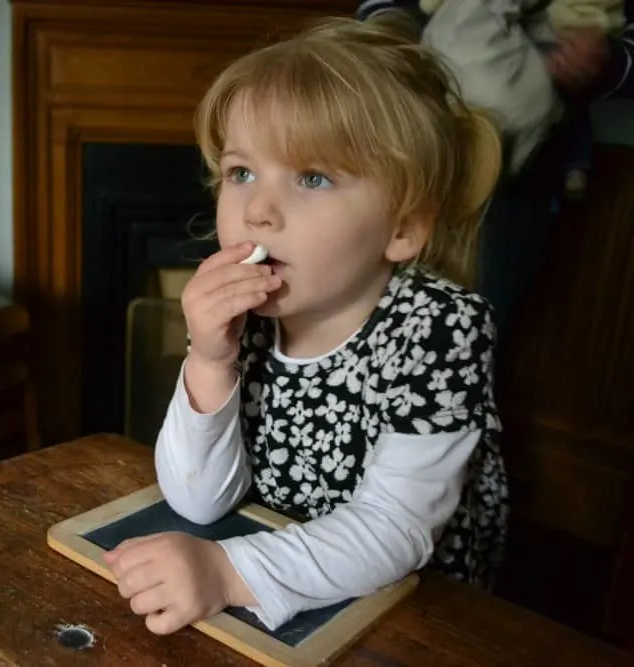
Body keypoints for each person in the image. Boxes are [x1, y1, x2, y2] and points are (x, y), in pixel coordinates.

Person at [100, 17, 509, 635]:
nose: (257, 211)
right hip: (279, 578)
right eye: (241, 173)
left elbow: (394, 531)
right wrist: (208, 363)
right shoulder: (257, 317)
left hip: (412, 611)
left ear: (402, 228)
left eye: (312, 178)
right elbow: (198, 500)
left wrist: (227, 573)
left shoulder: (442, 329)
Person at [357, 0, 634, 336]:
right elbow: (383, 8)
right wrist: (389, 34)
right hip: (401, 135)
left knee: (457, 332)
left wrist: (603, 61)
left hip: (511, 186)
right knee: (354, 314)